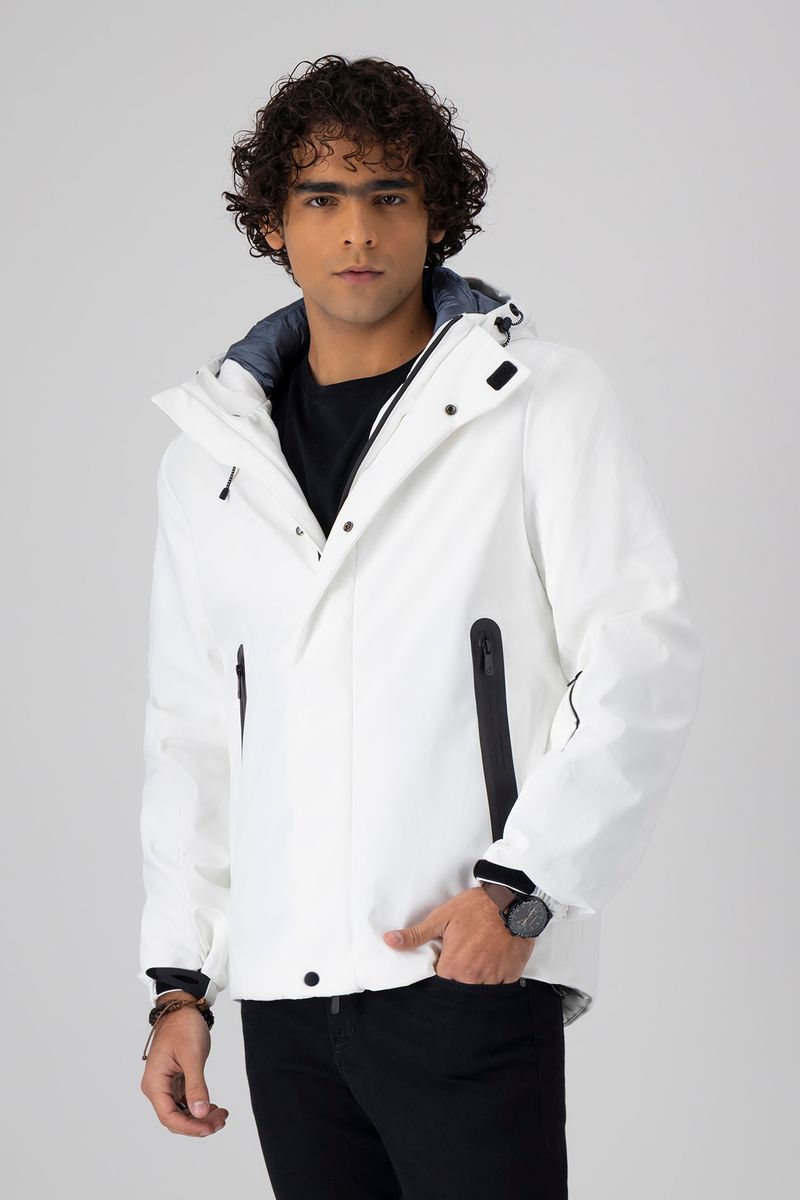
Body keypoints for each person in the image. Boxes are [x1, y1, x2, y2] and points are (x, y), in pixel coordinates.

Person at [137, 54, 704, 1199]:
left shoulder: (537, 401)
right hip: (284, 1008)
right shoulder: (208, 462)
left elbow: (639, 655)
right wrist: (180, 984)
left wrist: (520, 891)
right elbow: (192, 735)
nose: (356, 230)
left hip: (460, 972)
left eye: (387, 194)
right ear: (271, 224)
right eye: (320, 198)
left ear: (434, 214)